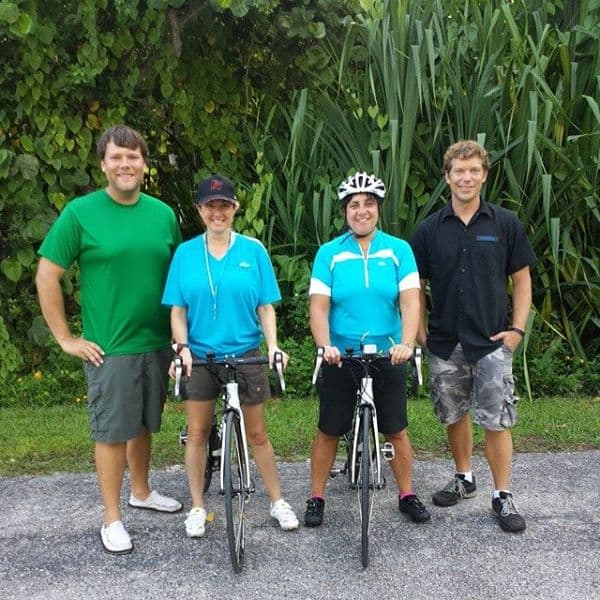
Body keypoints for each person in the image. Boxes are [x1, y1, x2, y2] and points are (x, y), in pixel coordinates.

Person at [36, 125, 183, 555]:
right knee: (113, 432)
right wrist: (65, 338)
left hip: (157, 342)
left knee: (143, 423)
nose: (125, 164)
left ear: (144, 164)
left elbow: (178, 277)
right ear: (103, 163)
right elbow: (48, 275)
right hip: (111, 347)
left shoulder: (163, 214)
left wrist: (180, 337)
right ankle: (112, 517)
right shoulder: (80, 214)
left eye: (133, 157)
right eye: (117, 157)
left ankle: (141, 491)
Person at [161, 173, 299, 537]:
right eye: (210, 206)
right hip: (201, 356)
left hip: (246, 352)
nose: (217, 212)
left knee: (257, 434)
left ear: (235, 208)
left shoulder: (253, 250)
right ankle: (197, 506)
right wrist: (182, 348)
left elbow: (266, 306)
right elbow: (177, 310)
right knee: (197, 432)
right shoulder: (186, 253)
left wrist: (273, 347)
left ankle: (277, 500)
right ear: (199, 210)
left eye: (224, 205)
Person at [411, 140, 535, 533]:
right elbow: (415, 285)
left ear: (484, 175)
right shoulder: (430, 229)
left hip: (491, 341)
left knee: (497, 420)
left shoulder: (504, 224)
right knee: (454, 414)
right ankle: (464, 477)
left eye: (474, 170)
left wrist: (516, 330)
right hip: (446, 342)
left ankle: (502, 494)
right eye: (459, 171)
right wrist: (418, 330)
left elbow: (522, 280)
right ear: (447, 177)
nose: (466, 178)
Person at [304, 171, 430, 527]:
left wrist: (406, 343)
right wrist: (325, 345)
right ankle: (316, 496)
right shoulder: (329, 253)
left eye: (369, 204)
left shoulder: (398, 250)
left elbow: (409, 301)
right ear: (345, 211)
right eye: (354, 205)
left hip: (389, 352)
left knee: (396, 428)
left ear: (378, 209)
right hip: (341, 353)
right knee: (329, 428)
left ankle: (406, 493)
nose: (362, 210)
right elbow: (318, 306)